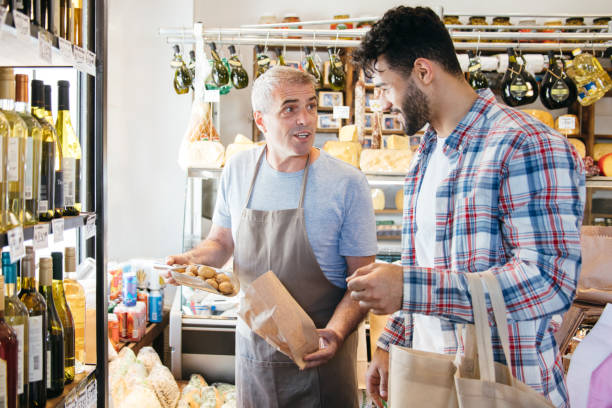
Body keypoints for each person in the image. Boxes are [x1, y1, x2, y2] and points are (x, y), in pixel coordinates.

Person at [348, 6, 585, 408]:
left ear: (423, 71)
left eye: (386, 87)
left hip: (504, 388)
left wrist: (407, 287)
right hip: (429, 380)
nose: (383, 104)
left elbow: (546, 281)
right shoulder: (427, 152)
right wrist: (392, 339)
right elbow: (432, 263)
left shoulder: (527, 144)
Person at [167, 66, 377, 407]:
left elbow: (363, 281)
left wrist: (336, 333)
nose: (306, 120)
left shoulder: (346, 183)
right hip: (255, 361)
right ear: (261, 120)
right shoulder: (237, 170)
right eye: (290, 109)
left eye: (311, 106)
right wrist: (189, 261)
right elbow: (221, 245)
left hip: (322, 359)